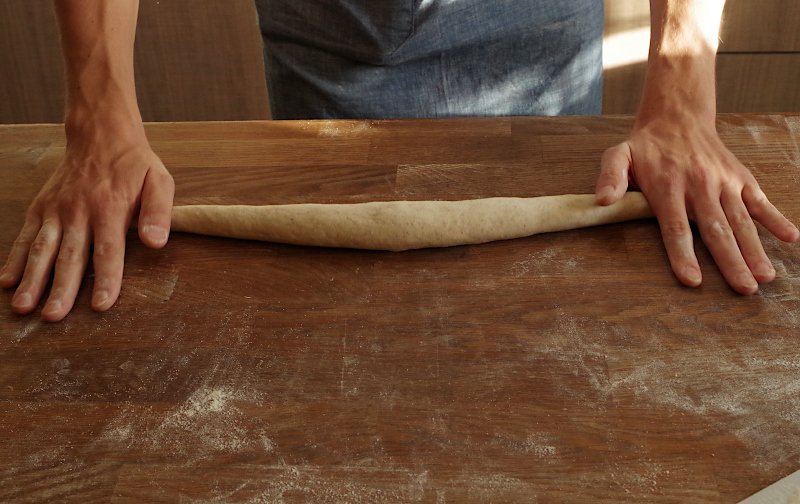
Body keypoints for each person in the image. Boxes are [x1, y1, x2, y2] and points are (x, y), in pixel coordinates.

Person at [1, 0, 798, 322]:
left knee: (543, 282)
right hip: (331, 23)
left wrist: (684, 95)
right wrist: (98, 115)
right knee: (334, 276)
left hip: (538, 24)